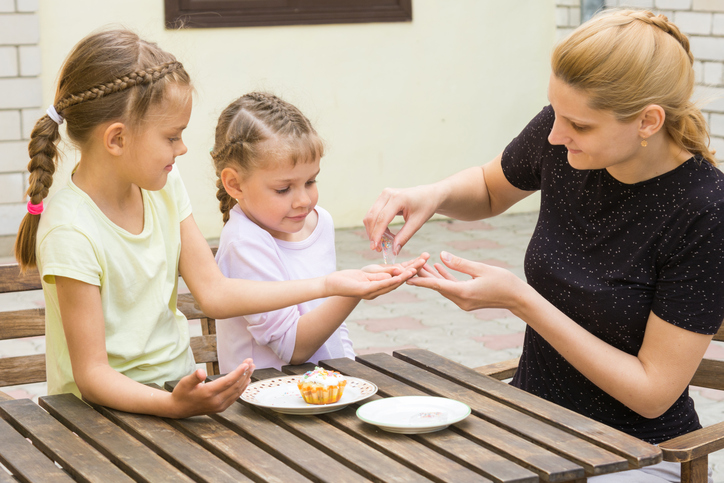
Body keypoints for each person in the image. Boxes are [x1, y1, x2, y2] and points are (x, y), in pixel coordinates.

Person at [364, 9, 723, 482]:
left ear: (648, 122)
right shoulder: (563, 133)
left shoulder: (705, 210)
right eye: (554, 113)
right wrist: (434, 194)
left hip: (638, 453)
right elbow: (492, 189)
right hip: (531, 424)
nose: (555, 135)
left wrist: (520, 300)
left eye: (579, 125)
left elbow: (652, 392)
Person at [14, 29, 425, 419]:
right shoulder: (70, 229)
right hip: (96, 419)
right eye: (172, 136)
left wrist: (330, 285)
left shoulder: (163, 187)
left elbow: (213, 293)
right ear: (117, 139)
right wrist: (172, 406)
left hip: (179, 392)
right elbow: (93, 377)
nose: (183, 148)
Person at [211, 92, 428, 371]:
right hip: (265, 399)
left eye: (311, 181)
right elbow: (293, 349)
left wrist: (350, 369)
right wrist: (353, 292)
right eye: (283, 189)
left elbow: (333, 326)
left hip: (321, 391)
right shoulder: (244, 243)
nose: (303, 200)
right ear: (235, 184)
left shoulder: (318, 222)